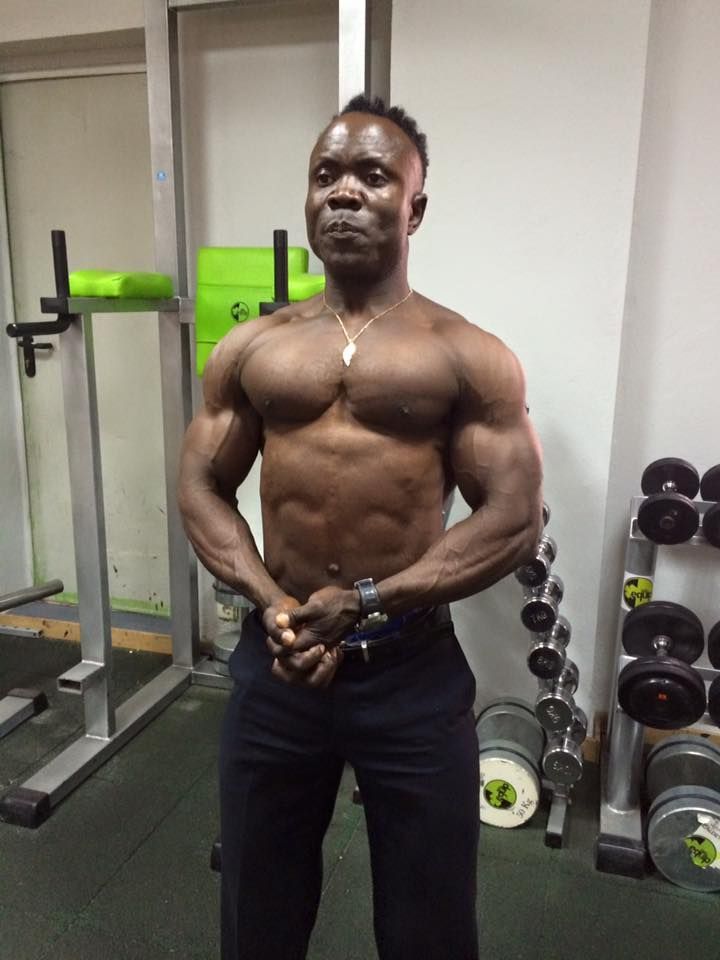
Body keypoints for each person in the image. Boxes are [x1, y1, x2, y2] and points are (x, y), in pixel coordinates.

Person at [178, 94, 543, 960]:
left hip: (409, 675)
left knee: (430, 923)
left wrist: (369, 601)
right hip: (278, 666)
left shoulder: (467, 354)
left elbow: (512, 520)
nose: (343, 192)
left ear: (415, 206)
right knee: (257, 911)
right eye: (326, 175)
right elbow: (199, 484)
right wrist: (272, 600)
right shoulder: (253, 349)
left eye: (372, 176)